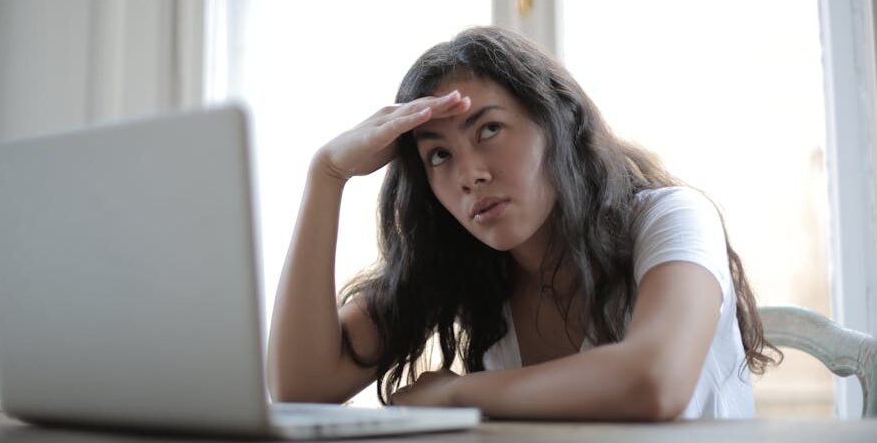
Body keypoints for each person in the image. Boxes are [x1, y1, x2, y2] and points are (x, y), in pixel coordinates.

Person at [267, 26, 781, 421]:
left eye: (489, 128)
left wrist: (455, 393)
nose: (470, 174)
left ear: (557, 122)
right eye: (439, 155)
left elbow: (655, 381)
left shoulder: (672, 218)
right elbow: (300, 387)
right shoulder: (464, 262)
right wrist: (327, 175)